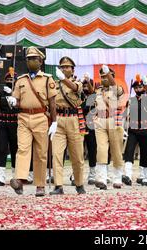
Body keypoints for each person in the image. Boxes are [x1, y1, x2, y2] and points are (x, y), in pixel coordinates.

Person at [8, 47, 58, 197]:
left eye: (33, 58)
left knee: (41, 153)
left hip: (40, 117)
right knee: (22, 148)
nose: (29, 61)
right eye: (28, 58)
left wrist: (54, 122)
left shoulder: (48, 79)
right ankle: (20, 180)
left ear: (40, 61)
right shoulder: (21, 80)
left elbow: (52, 102)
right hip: (23, 117)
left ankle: (40, 185)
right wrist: (12, 101)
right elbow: (17, 101)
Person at [49, 56, 86, 195]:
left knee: (77, 156)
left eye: (67, 67)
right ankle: (58, 185)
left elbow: (75, 88)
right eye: (62, 67)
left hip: (73, 120)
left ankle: (79, 183)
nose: (64, 69)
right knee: (57, 155)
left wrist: (63, 79)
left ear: (72, 69)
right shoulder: (54, 83)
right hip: (58, 120)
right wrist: (52, 121)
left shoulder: (77, 82)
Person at [93, 65, 126, 190]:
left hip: (114, 121)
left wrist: (109, 75)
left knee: (116, 151)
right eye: (102, 77)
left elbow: (114, 86)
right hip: (101, 121)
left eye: (106, 76)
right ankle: (101, 178)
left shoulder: (117, 88)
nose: (104, 79)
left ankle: (117, 178)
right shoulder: (98, 90)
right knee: (101, 149)